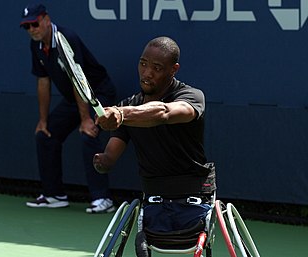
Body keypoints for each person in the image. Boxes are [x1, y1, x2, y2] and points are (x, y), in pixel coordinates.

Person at [93, 36, 216, 256]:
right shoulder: (128, 105)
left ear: (173, 69)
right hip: (153, 204)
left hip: (195, 202)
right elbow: (110, 157)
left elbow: (163, 113)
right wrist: (103, 162)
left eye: (157, 68)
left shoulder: (192, 97)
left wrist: (121, 114)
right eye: (143, 64)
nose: (147, 73)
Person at [20, 3, 116, 213]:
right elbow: (43, 82)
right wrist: (43, 120)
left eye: (35, 24)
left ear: (46, 19)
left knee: (88, 134)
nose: (32, 30)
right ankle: (54, 194)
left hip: (98, 94)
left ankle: (103, 199)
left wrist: (85, 119)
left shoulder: (66, 38)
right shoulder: (36, 46)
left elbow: (77, 80)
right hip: (75, 99)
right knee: (45, 135)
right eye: (27, 27)